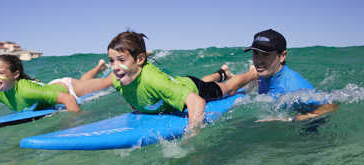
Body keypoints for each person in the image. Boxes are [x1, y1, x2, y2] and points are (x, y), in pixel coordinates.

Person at [107, 30, 257, 137]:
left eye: (121, 60)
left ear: (140, 60)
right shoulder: (119, 80)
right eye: (112, 61)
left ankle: (252, 73)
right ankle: (222, 73)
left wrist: (192, 135)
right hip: (182, 84)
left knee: (228, 89)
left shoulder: (153, 81)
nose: (115, 67)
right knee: (204, 81)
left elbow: (197, 102)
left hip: (196, 89)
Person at [210, 29, 339, 122]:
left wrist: (290, 119)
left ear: (282, 56)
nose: (259, 60)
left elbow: (331, 106)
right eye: (256, 53)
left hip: (309, 125)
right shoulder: (264, 72)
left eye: (266, 54)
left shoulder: (293, 84)